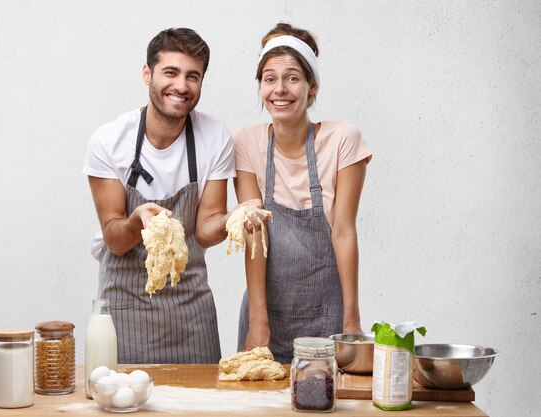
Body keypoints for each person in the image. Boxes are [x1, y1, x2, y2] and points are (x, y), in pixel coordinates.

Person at [83, 28, 252, 364]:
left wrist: (235, 218)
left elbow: (204, 231)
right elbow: (114, 240)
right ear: (148, 74)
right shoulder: (109, 141)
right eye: (170, 72)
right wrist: (136, 221)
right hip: (125, 306)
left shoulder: (214, 137)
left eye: (193, 76)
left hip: (191, 311)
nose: (181, 86)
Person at [234, 23, 373, 363]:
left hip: (329, 313)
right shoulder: (247, 142)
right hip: (265, 310)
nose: (280, 89)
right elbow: (255, 235)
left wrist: (351, 319)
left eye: (292, 78)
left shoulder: (343, 139)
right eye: (270, 78)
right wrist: (257, 321)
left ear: (312, 87)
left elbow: (343, 231)